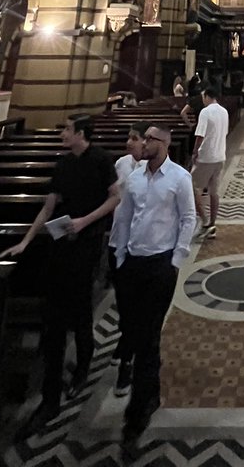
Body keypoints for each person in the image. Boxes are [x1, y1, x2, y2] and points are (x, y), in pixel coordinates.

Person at [0, 114, 119, 431]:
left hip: (87, 242)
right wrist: (25, 240)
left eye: (67, 129)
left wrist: (85, 222)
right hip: (60, 242)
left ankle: (82, 366)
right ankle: (49, 398)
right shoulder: (63, 164)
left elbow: (115, 196)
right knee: (53, 317)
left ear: (81, 133)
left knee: (80, 309)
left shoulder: (102, 159)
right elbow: (48, 206)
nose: (62, 134)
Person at [111, 125, 196, 445]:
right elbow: (123, 218)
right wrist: (119, 257)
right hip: (132, 262)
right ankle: (152, 394)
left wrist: (177, 259)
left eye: (148, 139)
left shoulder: (179, 178)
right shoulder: (133, 178)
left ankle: (136, 415)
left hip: (161, 266)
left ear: (163, 144)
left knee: (147, 335)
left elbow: (189, 218)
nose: (143, 144)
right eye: (142, 138)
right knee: (134, 332)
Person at [108, 125, 145, 395]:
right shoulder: (120, 164)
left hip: (145, 246)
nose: (128, 142)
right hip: (118, 240)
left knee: (139, 303)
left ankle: (130, 358)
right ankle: (126, 341)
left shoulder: (162, 170)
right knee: (124, 298)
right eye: (129, 137)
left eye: (134, 138)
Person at [191, 86, 229, 238]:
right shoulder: (224, 111)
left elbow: (200, 135)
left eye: (203, 97)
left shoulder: (205, 112)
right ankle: (212, 224)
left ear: (207, 96)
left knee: (192, 188)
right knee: (214, 192)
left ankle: (205, 221)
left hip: (206, 156)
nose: (203, 100)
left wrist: (195, 152)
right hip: (220, 155)